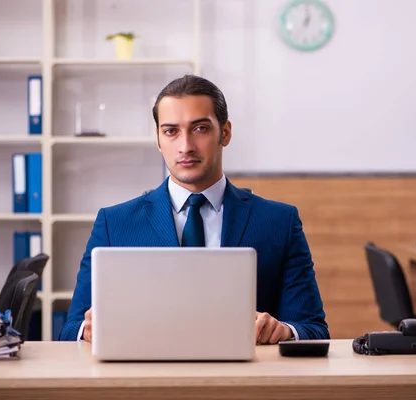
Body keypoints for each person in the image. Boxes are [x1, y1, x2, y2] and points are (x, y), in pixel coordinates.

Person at [59, 74, 329, 343]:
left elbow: (313, 328)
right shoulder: (114, 223)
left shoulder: (279, 222)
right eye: (171, 131)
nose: (185, 146)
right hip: (148, 378)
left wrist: (284, 330)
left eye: (200, 129)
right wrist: (89, 331)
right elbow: (70, 330)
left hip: (243, 380)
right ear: (158, 139)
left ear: (225, 132)